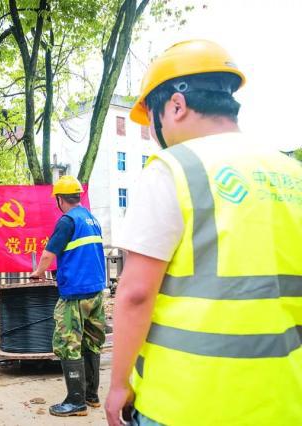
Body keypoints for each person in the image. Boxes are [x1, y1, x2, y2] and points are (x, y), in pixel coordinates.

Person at [105, 39, 302, 426]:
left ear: (176, 106)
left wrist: (118, 385)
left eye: (156, 118)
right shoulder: (292, 174)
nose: (159, 131)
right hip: (284, 400)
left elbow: (136, 293)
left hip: (185, 403)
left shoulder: (175, 169)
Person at [30, 175, 106, 417]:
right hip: (96, 293)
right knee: (92, 343)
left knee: (68, 344)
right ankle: (91, 396)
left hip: (74, 295)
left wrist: (38, 273)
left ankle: (76, 401)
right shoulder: (92, 219)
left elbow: (47, 255)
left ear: (60, 199)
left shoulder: (67, 220)